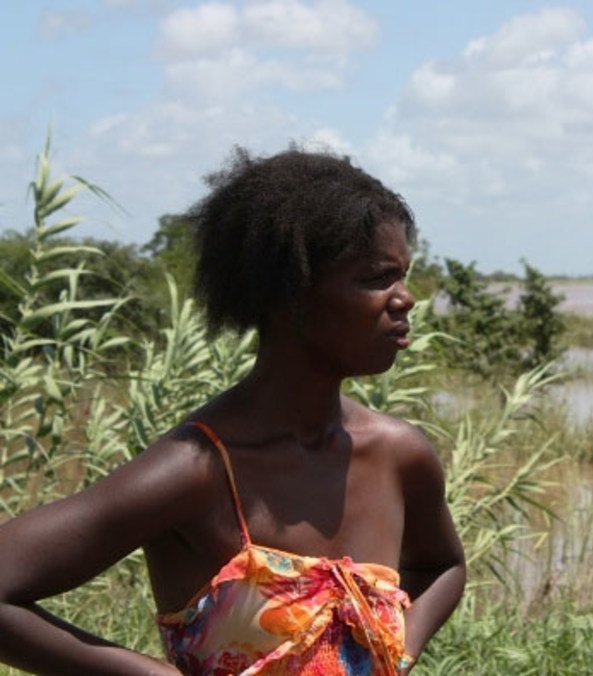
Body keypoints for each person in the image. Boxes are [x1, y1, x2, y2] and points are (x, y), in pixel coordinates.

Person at [0, 148, 466, 674]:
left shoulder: (399, 455)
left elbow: (443, 565)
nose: (404, 299)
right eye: (378, 278)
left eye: (403, 275)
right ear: (289, 292)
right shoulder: (198, 470)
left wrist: (396, 653)